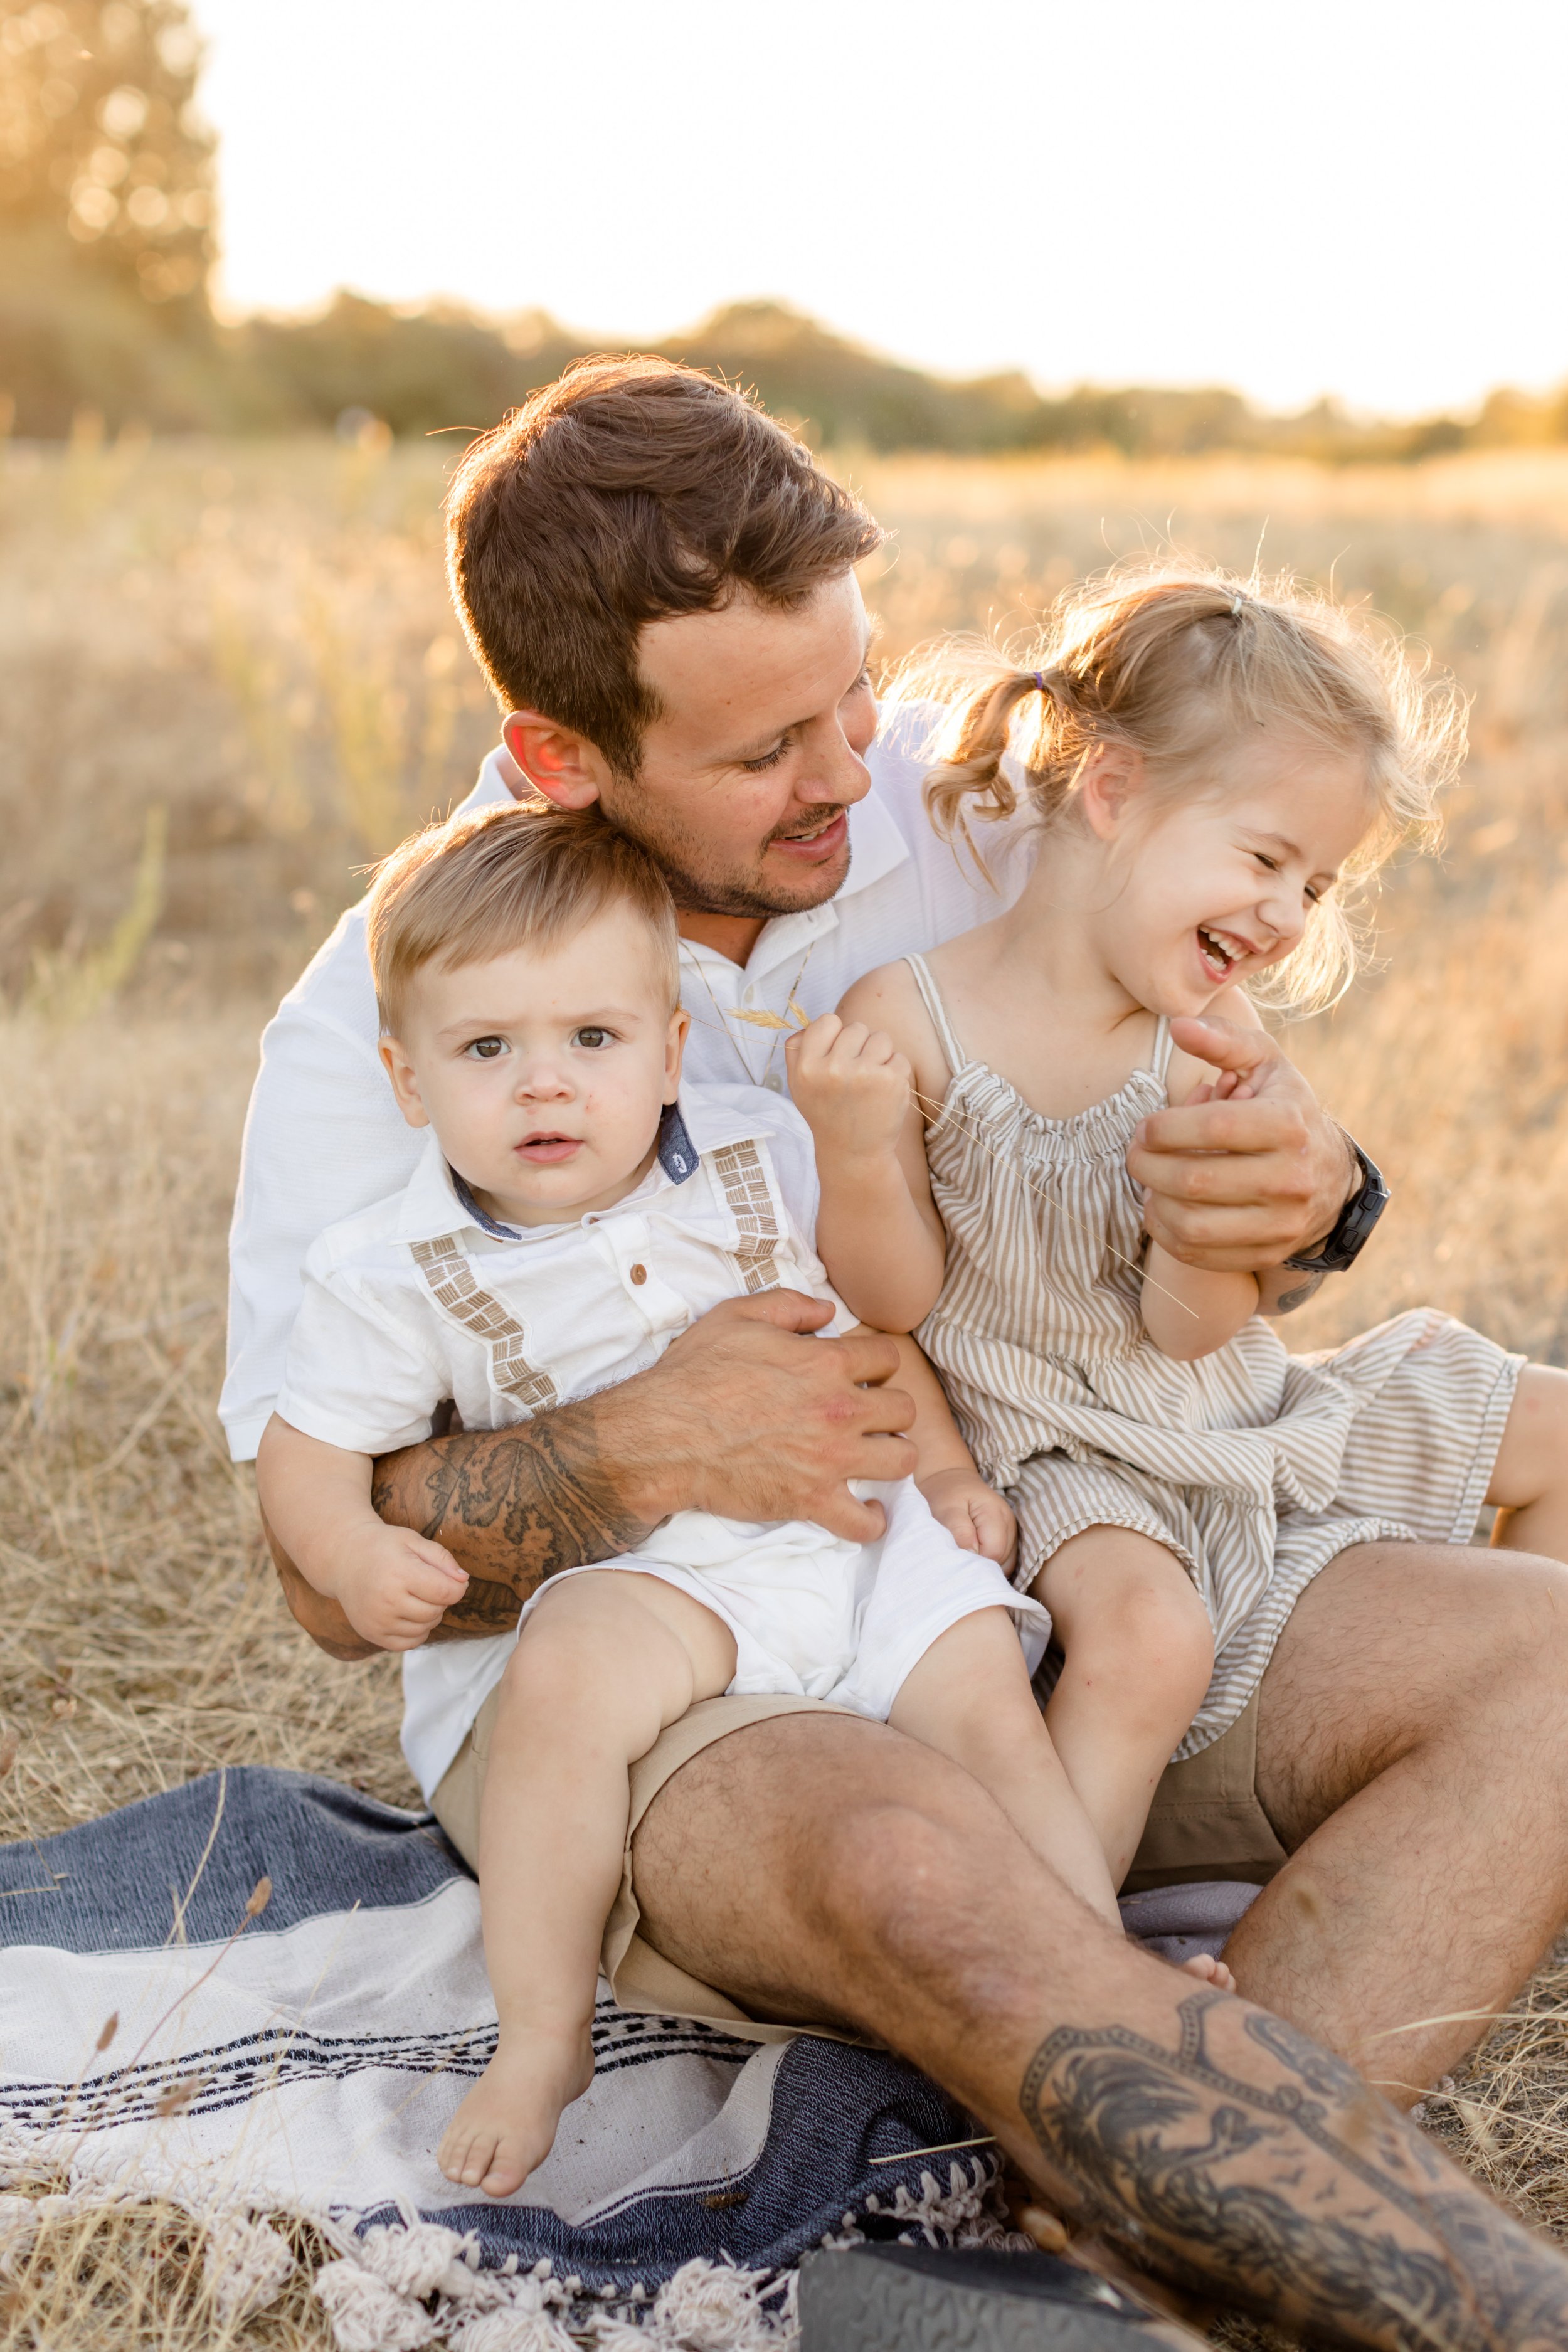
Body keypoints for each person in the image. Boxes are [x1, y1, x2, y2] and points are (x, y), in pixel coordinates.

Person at [226, 358, 1568, 2343]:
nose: (853, 771)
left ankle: (1092, 2271)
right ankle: (1480, 2304)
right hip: (685, 1662)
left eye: (854, 693)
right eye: (772, 745)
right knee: (910, 1860)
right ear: (557, 750)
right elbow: (327, 1571)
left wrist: (1313, 1191)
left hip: (1054, 1514)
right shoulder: (401, 1006)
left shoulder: (972, 791)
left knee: (1542, 1649)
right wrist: (642, 1439)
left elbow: (1194, 1083)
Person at [258, 800, 1182, 2201]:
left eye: (593, 1040)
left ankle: (1105, 1985)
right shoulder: (395, 1266)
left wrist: (941, 1472)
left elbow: (874, 1332)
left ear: (671, 1048)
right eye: (486, 1050)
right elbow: (305, 1450)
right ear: (407, 1081)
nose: (545, 1088)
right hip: (668, 1578)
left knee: (988, 1705)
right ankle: (543, 2033)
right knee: (567, 1674)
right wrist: (349, 1544)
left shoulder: (761, 1147)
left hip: (866, 1532)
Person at [788, 566, 1568, 1903]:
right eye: (1265, 860)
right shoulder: (910, 1015)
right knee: (1144, 1641)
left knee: (1550, 1423)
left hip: (1230, 1401)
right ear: (1108, 792)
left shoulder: (1206, 1045)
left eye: (1313, 888)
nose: (1282, 917)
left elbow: (1191, 1326)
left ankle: (1490, 1770)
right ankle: (1069, 1947)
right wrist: (857, 1145)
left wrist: (1211, 1221)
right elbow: (893, 1296)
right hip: (1061, 1445)